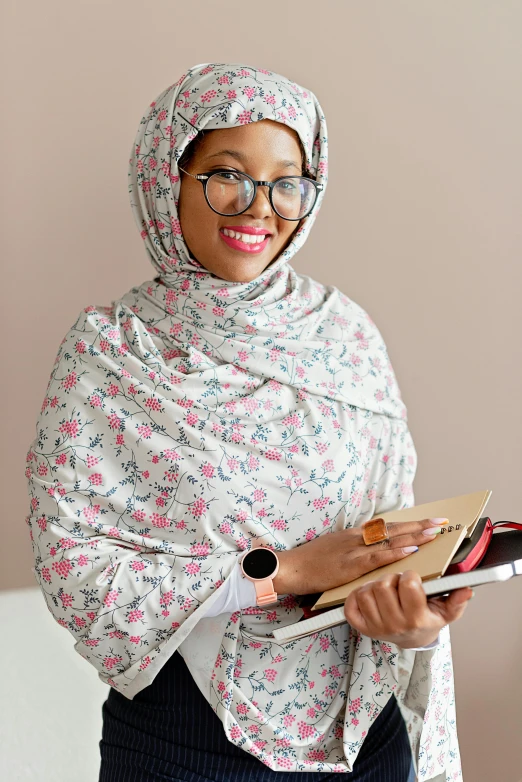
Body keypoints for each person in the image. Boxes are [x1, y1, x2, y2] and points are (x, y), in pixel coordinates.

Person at [25, 63, 472, 782]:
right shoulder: (112, 353)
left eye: (287, 181)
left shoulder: (343, 335)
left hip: (368, 735)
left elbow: (388, 528)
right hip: (185, 744)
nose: (258, 207)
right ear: (167, 177)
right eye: (226, 174)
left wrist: (411, 622)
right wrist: (285, 571)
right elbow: (76, 576)